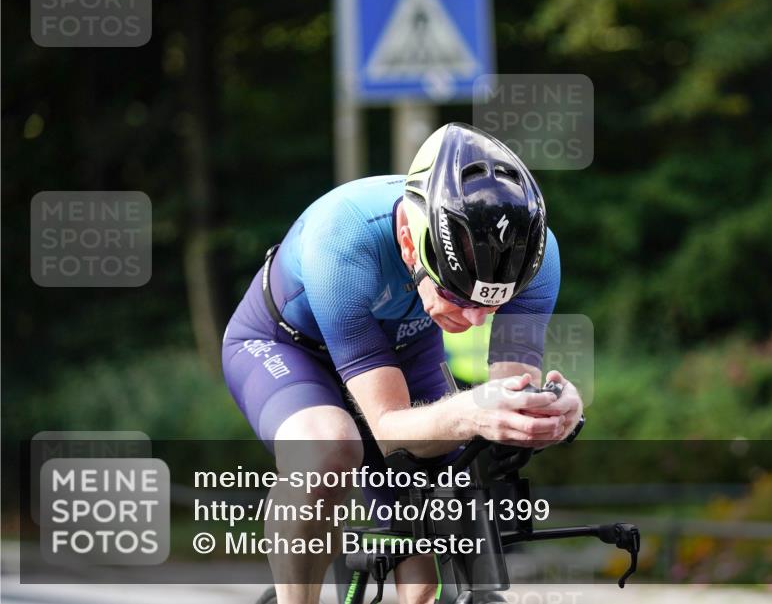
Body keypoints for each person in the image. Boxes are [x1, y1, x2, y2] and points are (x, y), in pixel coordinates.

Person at [221, 122, 584, 604]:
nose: (475, 319)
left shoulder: (534, 257)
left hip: (405, 348)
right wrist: (473, 409)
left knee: (443, 500)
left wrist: (554, 411)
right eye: (456, 294)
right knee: (328, 450)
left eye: (493, 304)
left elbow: (507, 402)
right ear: (411, 244)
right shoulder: (344, 237)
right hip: (286, 347)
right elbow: (388, 427)